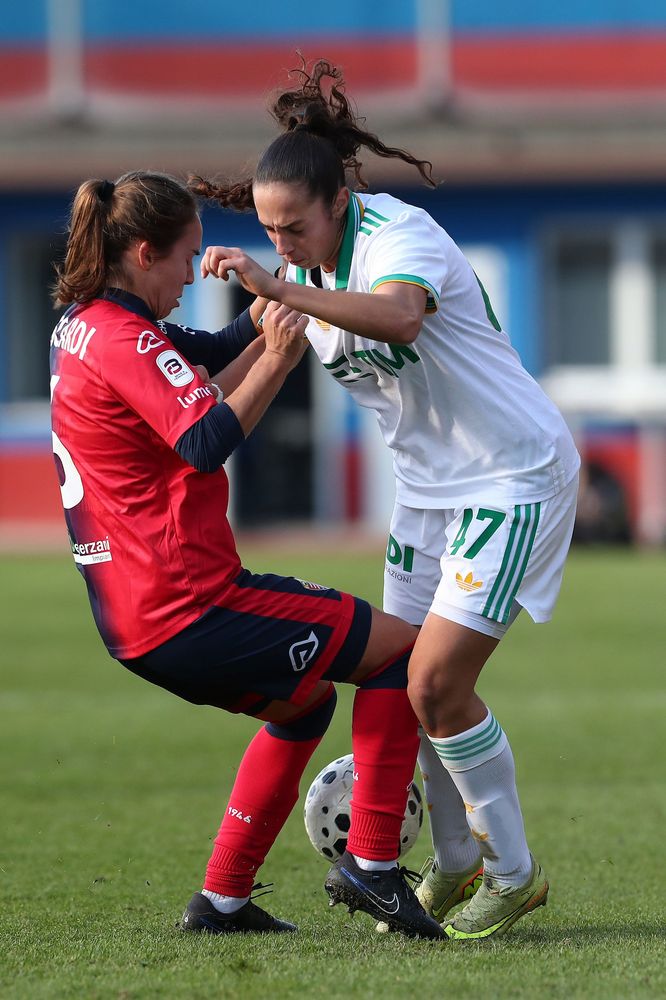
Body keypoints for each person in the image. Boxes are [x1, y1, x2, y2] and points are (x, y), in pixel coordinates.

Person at [191, 56, 581, 940]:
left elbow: (402, 316)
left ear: (338, 204)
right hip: (430, 495)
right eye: (268, 231)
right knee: (405, 678)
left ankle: (514, 875)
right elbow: (241, 363)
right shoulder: (306, 272)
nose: (281, 244)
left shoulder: (398, 235)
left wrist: (280, 286)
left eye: (293, 228)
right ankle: (451, 863)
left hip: (510, 475)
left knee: (440, 680)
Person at [49, 170, 445, 940]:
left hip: (139, 620)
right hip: (189, 602)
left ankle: (223, 901)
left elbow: (214, 350)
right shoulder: (127, 337)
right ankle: (373, 865)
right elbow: (203, 441)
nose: (194, 275)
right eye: (186, 257)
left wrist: (288, 281)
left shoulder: (88, 323)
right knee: (402, 657)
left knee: (305, 706)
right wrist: (279, 361)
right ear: (141, 252)